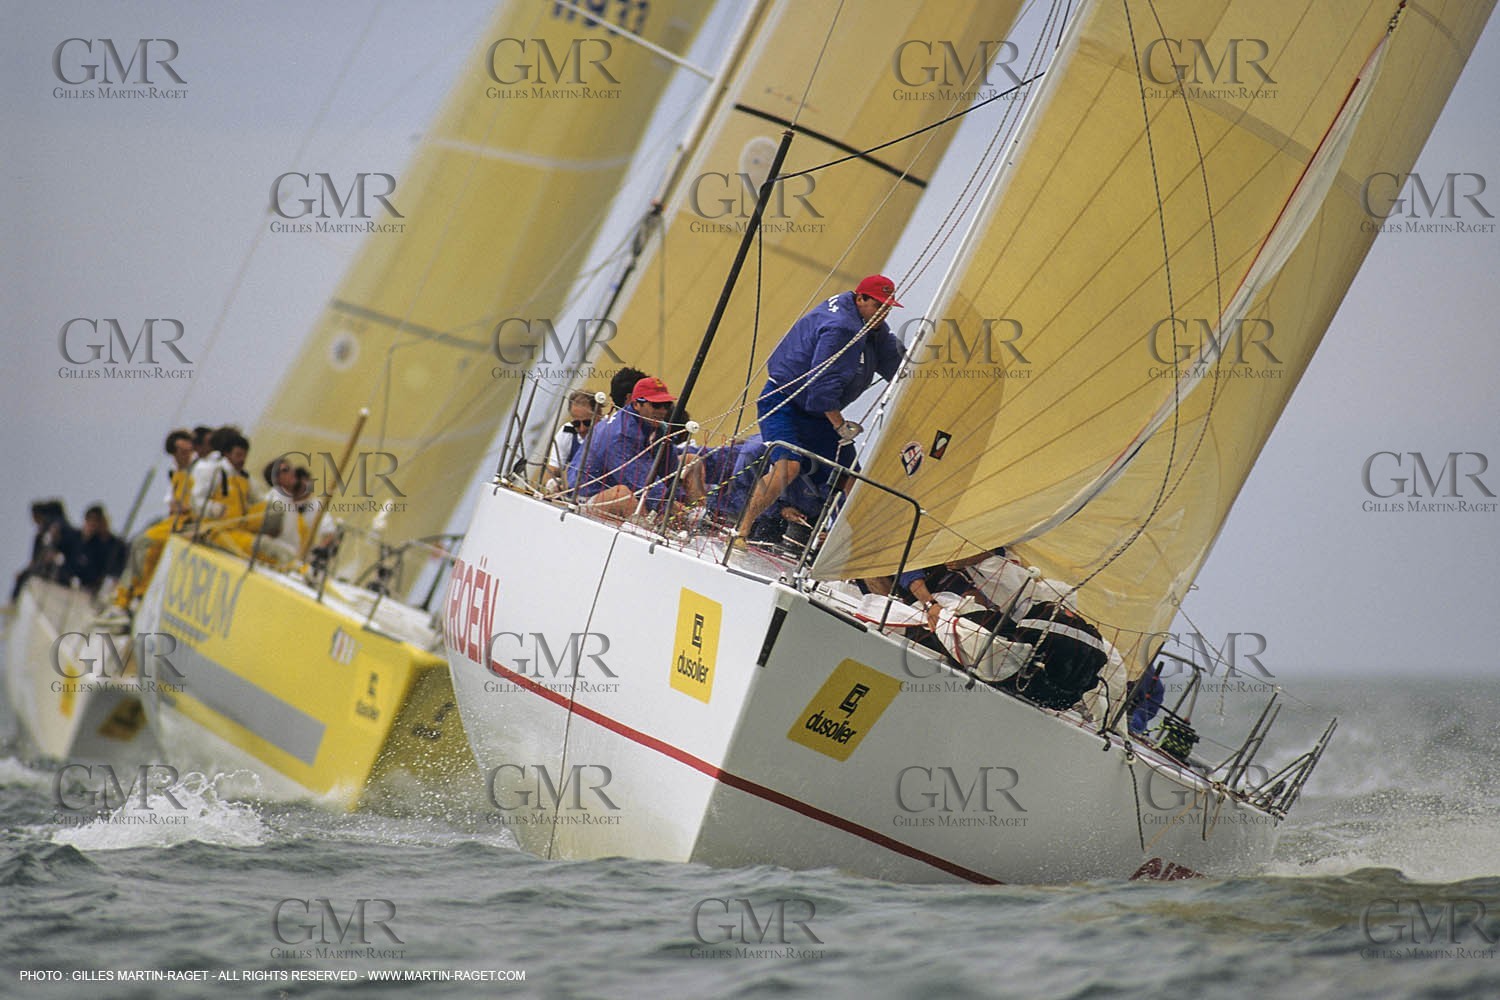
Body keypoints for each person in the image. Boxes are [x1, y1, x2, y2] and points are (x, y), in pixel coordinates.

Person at [734, 275, 905, 545]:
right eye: (878, 306)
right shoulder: (843, 328)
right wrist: (840, 427)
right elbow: (821, 388)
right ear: (860, 298)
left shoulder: (870, 325)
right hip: (785, 403)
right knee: (788, 467)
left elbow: (895, 363)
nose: (882, 314)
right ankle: (741, 530)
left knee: (849, 481)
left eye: (887, 309)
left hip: (817, 414)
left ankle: (846, 552)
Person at [571, 376, 699, 517]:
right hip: (585, 498)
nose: (662, 411)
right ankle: (664, 529)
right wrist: (678, 510)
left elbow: (670, 471)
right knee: (623, 496)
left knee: (691, 462)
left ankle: (700, 517)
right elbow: (642, 483)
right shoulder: (619, 434)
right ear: (637, 404)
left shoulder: (657, 427)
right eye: (656, 405)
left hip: (624, 485)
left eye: (667, 405)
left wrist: (681, 500)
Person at [545, 390, 604, 491]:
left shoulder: (609, 431)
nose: (581, 429)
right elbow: (552, 470)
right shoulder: (567, 433)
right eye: (576, 423)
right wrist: (552, 484)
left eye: (587, 422)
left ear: (599, 415)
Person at [66, 505, 127, 593]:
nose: (93, 524)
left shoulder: (117, 545)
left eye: (97, 521)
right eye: (91, 521)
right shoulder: (87, 541)